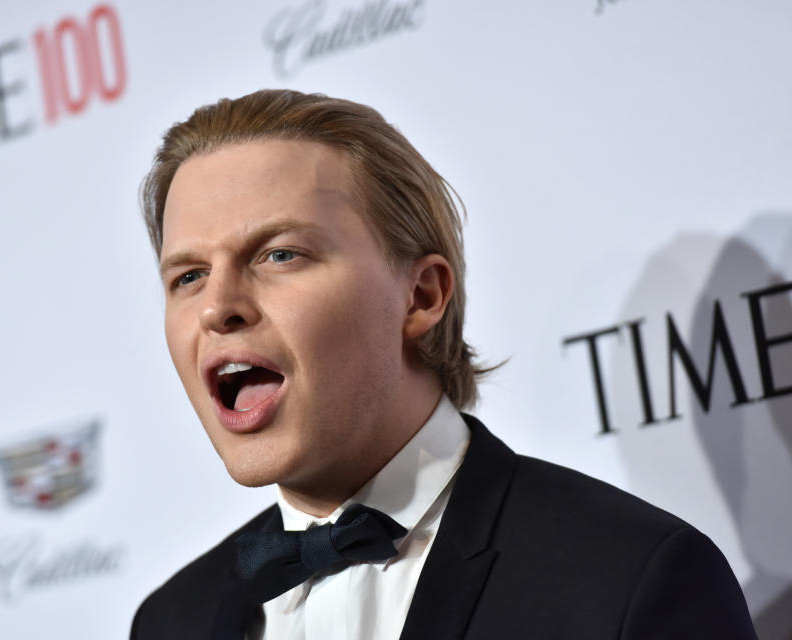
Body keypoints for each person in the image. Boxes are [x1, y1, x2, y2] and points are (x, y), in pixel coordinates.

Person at [130, 89, 756, 639]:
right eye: (188, 275)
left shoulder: (626, 578)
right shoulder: (169, 622)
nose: (218, 307)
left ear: (421, 295)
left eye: (280, 255)